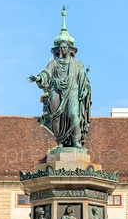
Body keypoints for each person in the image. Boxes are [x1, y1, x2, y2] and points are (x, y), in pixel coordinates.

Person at [28, 8, 91, 148]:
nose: (62, 50)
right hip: (56, 91)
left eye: (65, 47)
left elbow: (84, 81)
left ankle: (76, 141)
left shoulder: (77, 64)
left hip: (72, 92)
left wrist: (86, 88)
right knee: (56, 118)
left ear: (69, 48)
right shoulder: (54, 63)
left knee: (74, 115)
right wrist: (38, 78)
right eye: (60, 47)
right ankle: (60, 141)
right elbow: (46, 74)